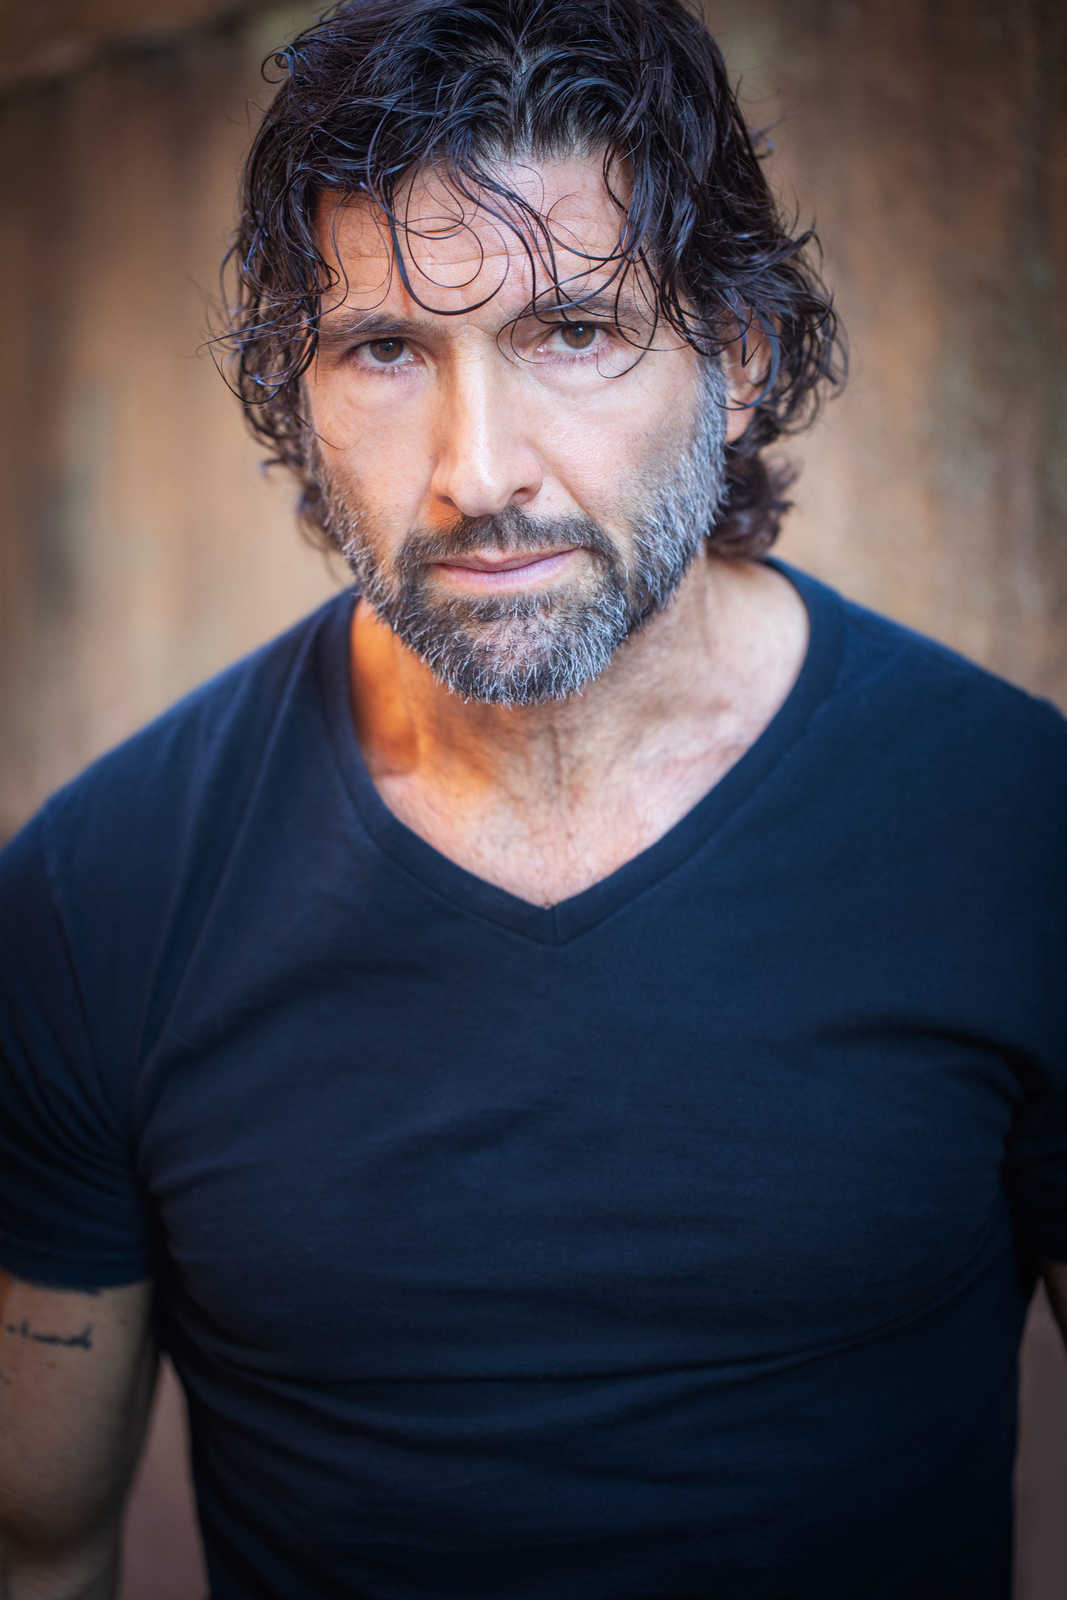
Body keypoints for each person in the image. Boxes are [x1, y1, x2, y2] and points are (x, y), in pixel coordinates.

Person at [1, 0, 1064, 1595]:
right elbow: (41, 1547)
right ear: (298, 392)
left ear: (741, 356)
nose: (478, 469)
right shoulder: (99, 898)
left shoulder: (1020, 833)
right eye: (384, 350)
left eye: (572, 331)